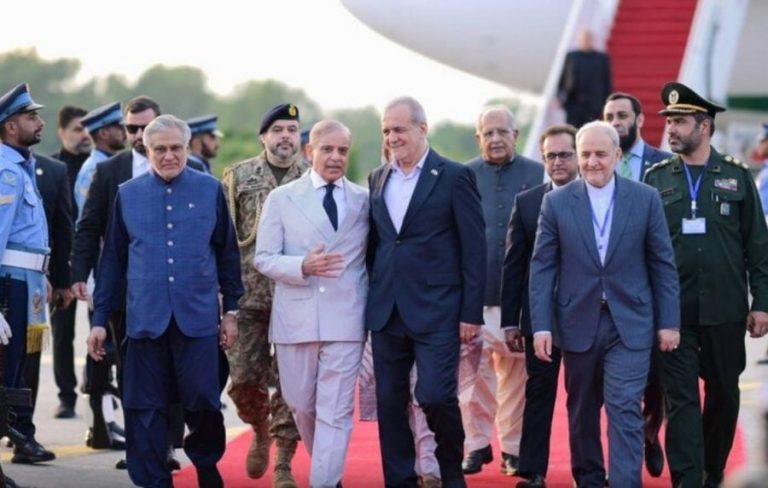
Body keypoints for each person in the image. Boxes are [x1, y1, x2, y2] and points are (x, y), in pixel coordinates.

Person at [87, 114, 243, 488]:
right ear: (146, 150)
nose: (169, 156)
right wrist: (99, 319)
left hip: (197, 318)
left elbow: (228, 254)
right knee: (144, 406)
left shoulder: (210, 190)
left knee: (204, 402)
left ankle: (206, 464)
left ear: (187, 148)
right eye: (160, 149)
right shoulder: (128, 194)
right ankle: (154, 479)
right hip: (145, 320)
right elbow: (112, 263)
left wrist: (231, 311)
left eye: (176, 148)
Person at [530, 120, 680, 487]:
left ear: (617, 155)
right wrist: (541, 326)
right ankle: (590, 479)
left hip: (630, 322)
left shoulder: (645, 198)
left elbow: (662, 263)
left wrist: (669, 322)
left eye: (600, 154)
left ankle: (625, 482)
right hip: (577, 322)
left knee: (624, 405)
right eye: (585, 155)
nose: (592, 162)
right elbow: (542, 267)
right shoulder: (556, 202)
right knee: (582, 409)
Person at [644, 82, 768, 488]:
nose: (671, 129)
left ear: (705, 126)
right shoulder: (655, 178)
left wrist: (762, 303)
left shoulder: (736, 176)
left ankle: (712, 473)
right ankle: (687, 481)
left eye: (680, 122)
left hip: (725, 311)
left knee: (724, 396)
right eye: (670, 122)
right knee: (681, 400)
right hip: (674, 313)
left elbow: (758, 247)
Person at [71, 96, 202, 464]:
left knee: (172, 370)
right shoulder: (109, 171)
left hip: (176, 292)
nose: (139, 133)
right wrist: (78, 274)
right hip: (125, 290)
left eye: (146, 126)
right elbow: (89, 227)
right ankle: (140, 446)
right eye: (132, 128)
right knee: (132, 371)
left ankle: (166, 445)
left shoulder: (192, 169)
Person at [367, 96, 486, 488]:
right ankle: (399, 480)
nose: (392, 137)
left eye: (399, 129)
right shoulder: (377, 177)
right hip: (387, 310)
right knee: (389, 403)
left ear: (422, 128)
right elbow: (377, 245)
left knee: (435, 395)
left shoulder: (453, 176)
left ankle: (450, 472)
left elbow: (474, 249)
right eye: (386, 130)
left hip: (438, 310)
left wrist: (471, 313)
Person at [255, 119, 368, 488]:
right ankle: (326, 467)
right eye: (327, 149)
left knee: (336, 410)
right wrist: (301, 265)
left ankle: (325, 480)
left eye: (343, 151)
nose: (336, 157)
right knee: (301, 404)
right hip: (296, 318)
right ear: (309, 151)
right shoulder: (282, 198)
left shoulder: (364, 200)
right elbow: (264, 258)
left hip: (346, 318)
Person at [221, 103, 303, 487]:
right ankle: (259, 426)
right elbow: (223, 239)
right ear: (263, 137)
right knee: (242, 379)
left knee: (292, 382)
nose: (286, 136)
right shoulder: (238, 177)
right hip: (248, 296)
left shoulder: (312, 176)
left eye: (292, 129)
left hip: (295, 296)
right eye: (278, 130)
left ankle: (284, 462)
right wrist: (222, 295)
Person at [460, 105, 543, 476]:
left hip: (517, 299)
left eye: (502, 132)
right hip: (472, 298)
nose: (495, 139)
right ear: (478, 137)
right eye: (488, 133)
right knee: (471, 378)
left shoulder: (537, 174)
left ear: (515, 135)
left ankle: (512, 449)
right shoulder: (463, 176)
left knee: (515, 379)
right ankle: (476, 445)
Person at [501, 124, 579, 488]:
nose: (557, 162)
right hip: (540, 317)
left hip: (585, 315)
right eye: (550, 156)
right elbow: (513, 265)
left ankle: (588, 469)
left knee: (586, 397)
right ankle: (532, 471)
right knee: (538, 393)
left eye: (565, 154)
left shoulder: (596, 198)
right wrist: (510, 321)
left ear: (577, 156)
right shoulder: (528, 202)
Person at [602, 91, 672, 477]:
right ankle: (622, 451)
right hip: (606, 291)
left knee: (656, 375)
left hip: (650, 288)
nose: (616, 122)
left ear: (640, 120)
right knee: (615, 383)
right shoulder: (596, 163)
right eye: (609, 116)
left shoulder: (665, 165)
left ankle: (649, 430)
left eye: (622, 115)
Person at [0, 83, 58, 471]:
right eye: (31, 116)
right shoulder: (6, 171)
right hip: (10, 284)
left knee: (17, 369)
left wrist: (43, 275)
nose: (40, 122)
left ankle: (19, 438)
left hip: (28, 280)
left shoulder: (20, 164)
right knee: (6, 372)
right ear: (10, 126)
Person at [49, 105, 90, 419]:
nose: (85, 134)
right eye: (77, 129)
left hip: (92, 261)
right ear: (62, 132)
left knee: (101, 327)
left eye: (88, 128)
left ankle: (96, 388)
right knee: (62, 334)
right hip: (62, 262)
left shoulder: (100, 166)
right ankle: (66, 396)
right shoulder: (50, 168)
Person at [73, 101, 126, 219]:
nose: (125, 132)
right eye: (119, 127)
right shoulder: (92, 170)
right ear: (104, 133)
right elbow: (88, 219)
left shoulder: (114, 164)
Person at [558, 29, 613, 128]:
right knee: (572, 131)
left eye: (588, 39)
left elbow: (606, 82)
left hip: (593, 105)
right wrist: (559, 96)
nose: (586, 41)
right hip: (573, 103)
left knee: (590, 131)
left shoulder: (602, 58)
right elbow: (562, 78)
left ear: (593, 40)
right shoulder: (571, 56)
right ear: (579, 40)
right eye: (584, 39)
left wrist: (607, 102)